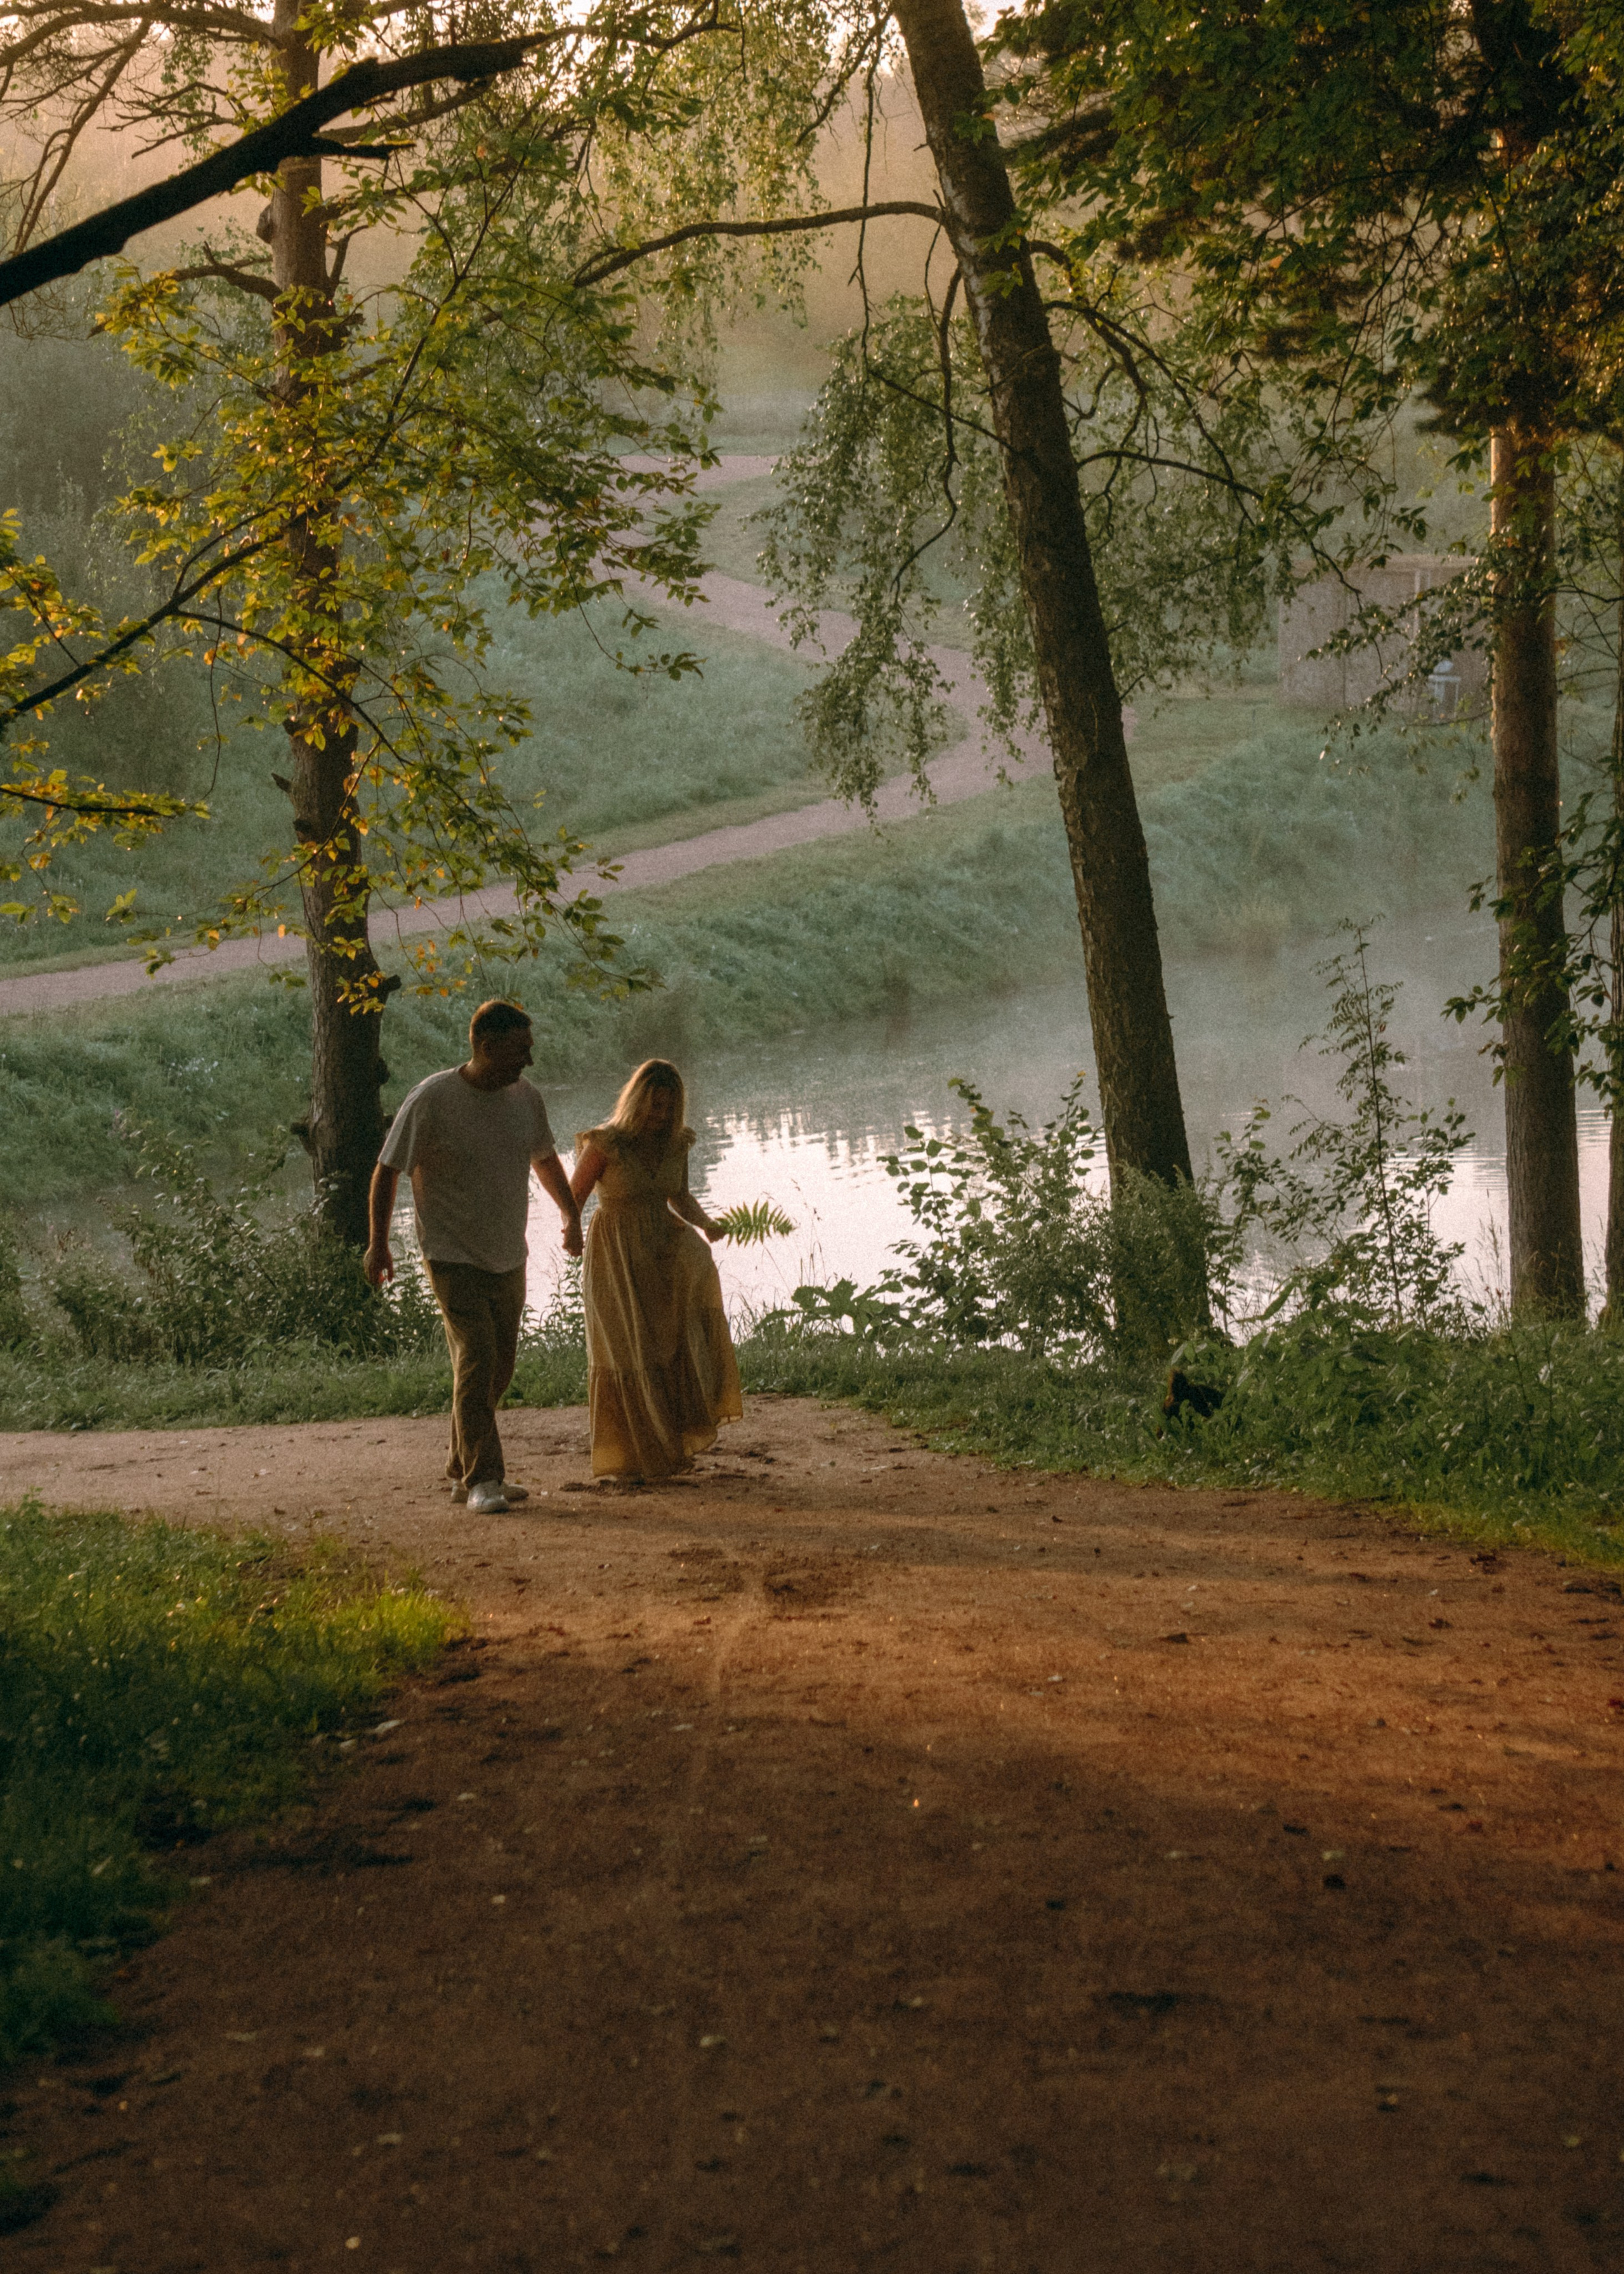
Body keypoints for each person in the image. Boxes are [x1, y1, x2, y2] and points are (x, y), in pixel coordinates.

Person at [364, 999, 581, 1515]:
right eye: (520, 1050)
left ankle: (462, 1468)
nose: (530, 1061)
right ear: (486, 1047)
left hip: (509, 1251)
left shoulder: (526, 1098)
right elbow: (387, 1170)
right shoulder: (433, 1099)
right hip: (450, 1252)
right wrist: (378, 1242)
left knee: (497, 1367)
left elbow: (545, 1158)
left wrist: (571, 1215)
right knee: (479, 1358)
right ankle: (485, 1478)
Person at [570, 1058, 743, 1481]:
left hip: (664, 1252)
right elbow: (572, 1198)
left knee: (669, 1344)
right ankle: (629, 1458)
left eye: (668, 1108)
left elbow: (679, 1197)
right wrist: (570, 1233)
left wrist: (706, 1224)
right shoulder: (605, 1143)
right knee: (629, 1349)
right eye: (654, 1106)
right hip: (616, 1255)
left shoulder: (676, 1143)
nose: (660, 1116)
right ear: (636, 1102)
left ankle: (667, 1448)